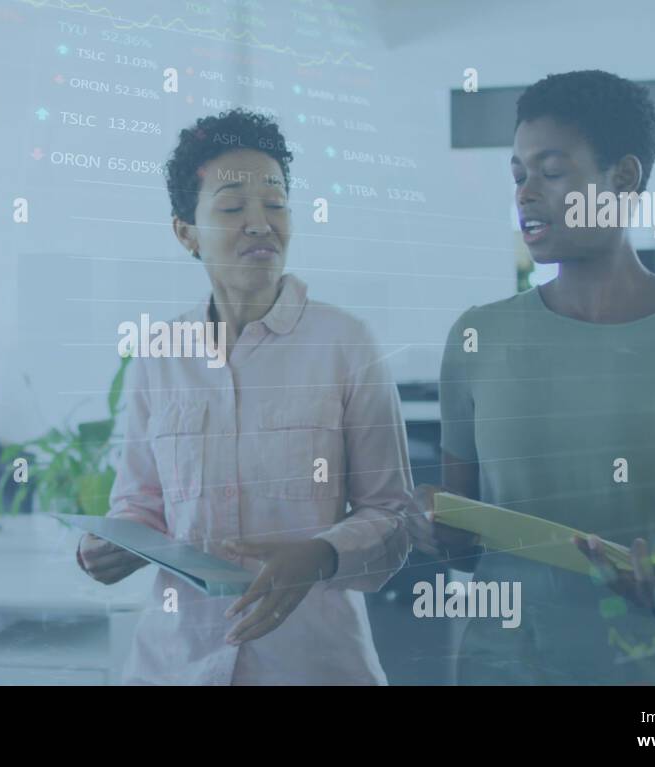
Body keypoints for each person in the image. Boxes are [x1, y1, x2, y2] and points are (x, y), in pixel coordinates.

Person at [407, 71, 655, 684]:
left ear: (623, 177)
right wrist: (426, 525)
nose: (525, 194)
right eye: (518, 176)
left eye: (550, 172)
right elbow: (465, 548)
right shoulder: (477, 337)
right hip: (502, 670)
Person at [76, 109, 414, 684]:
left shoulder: (346, 343)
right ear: (186, 231)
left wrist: (322, 556)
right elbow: (139, 506)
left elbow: (395, 518)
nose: (260, 223)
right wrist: (109, 546)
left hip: (311, 664)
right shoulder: (159, 355)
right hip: (175, 664)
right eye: (233, 208)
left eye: (276, 204)